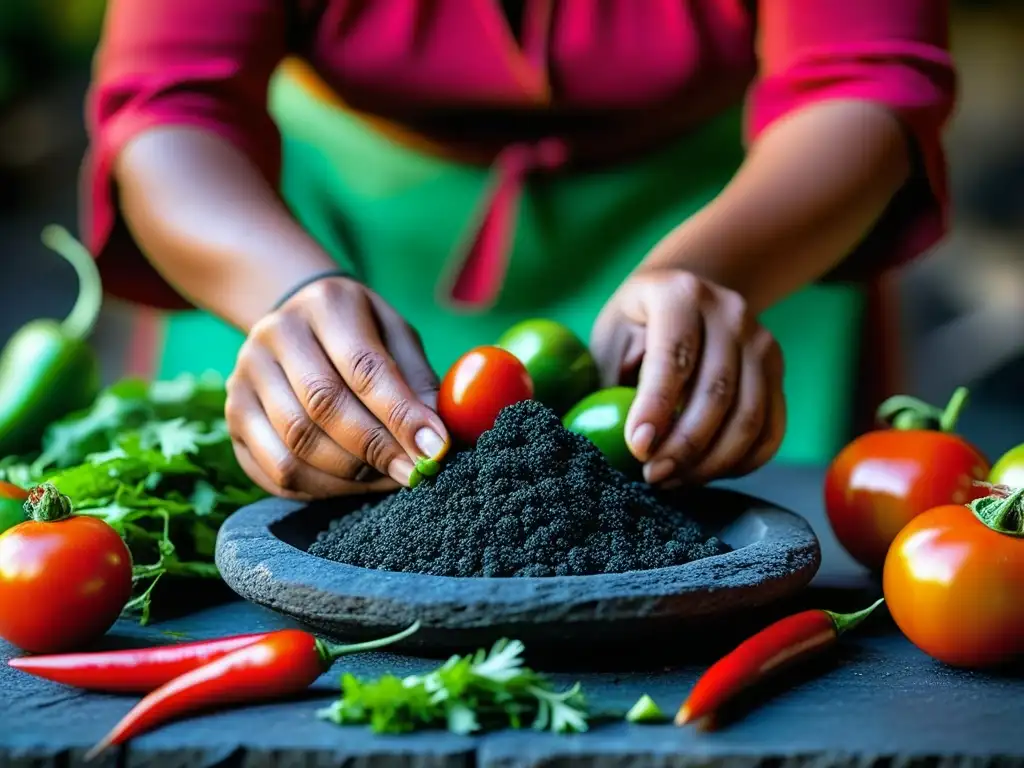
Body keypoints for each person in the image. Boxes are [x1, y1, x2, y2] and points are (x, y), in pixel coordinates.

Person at [82, 0, 955, 500]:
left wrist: (718, 270)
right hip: (297, 230)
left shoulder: (739, 251)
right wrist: (287, 291)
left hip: (746, 226)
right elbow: (170, 104)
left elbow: (862, 75)